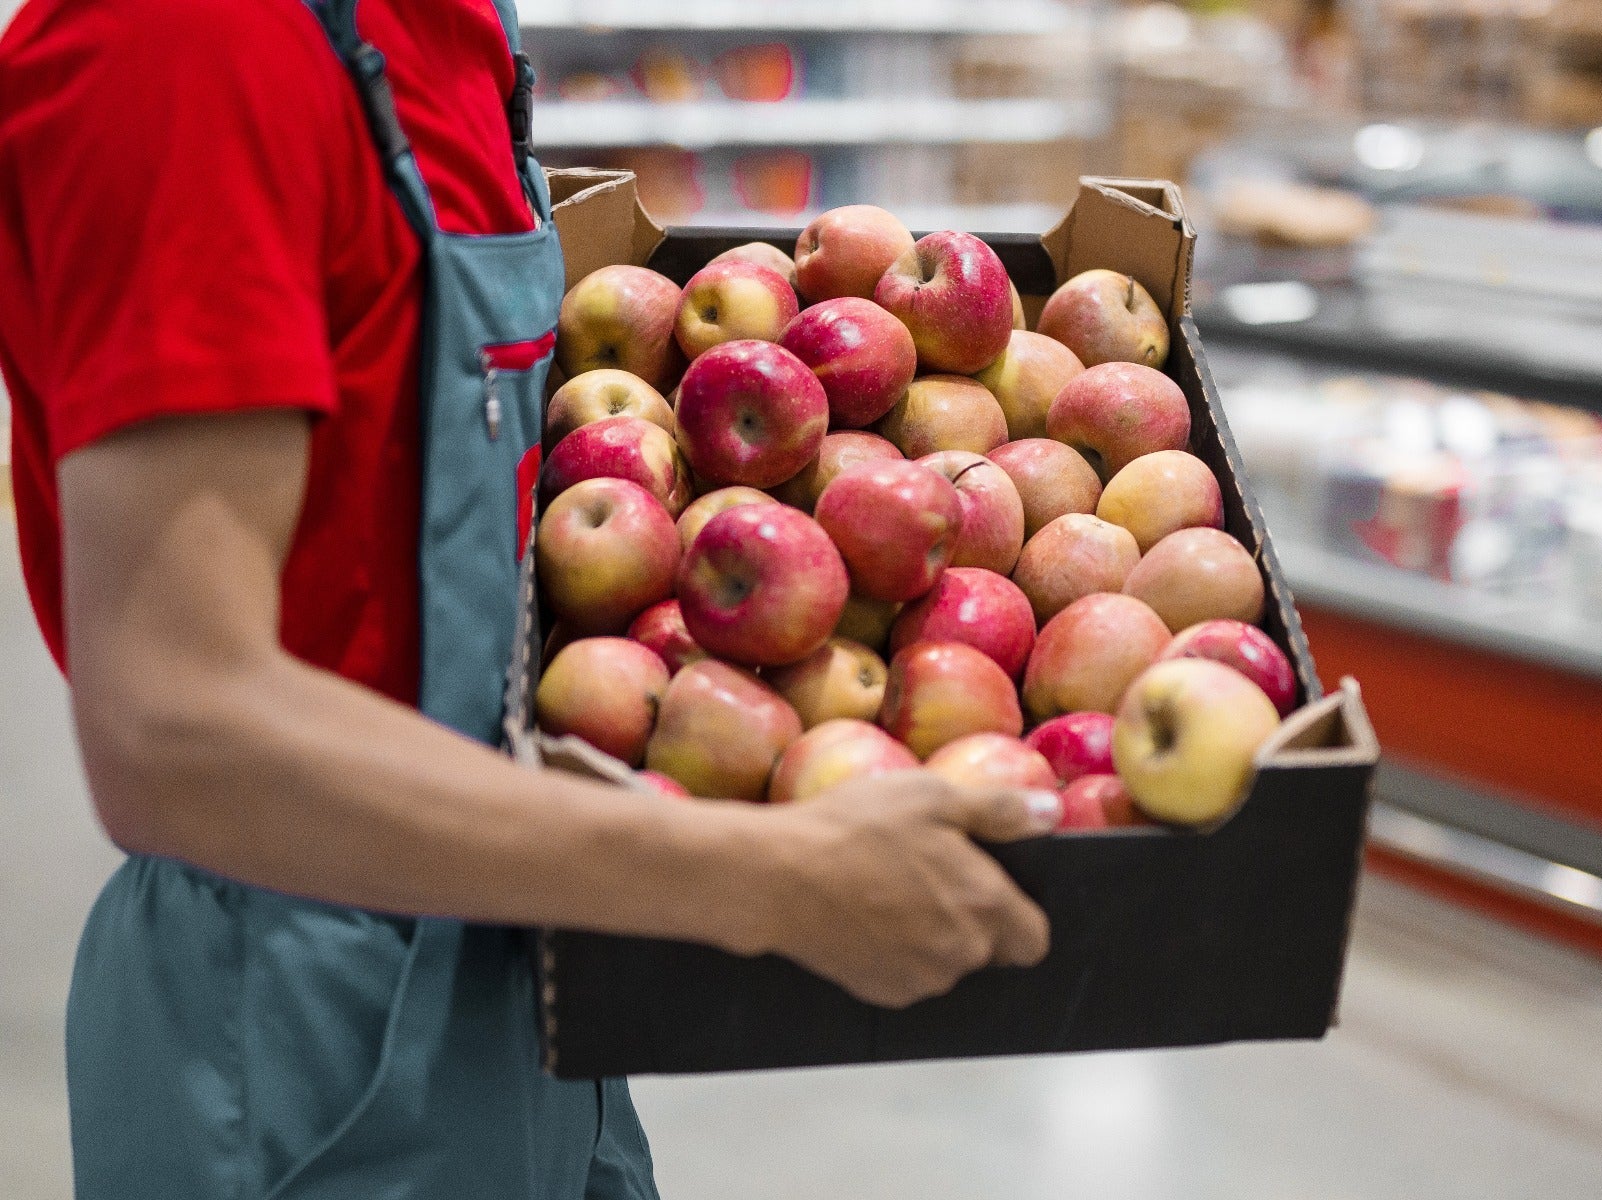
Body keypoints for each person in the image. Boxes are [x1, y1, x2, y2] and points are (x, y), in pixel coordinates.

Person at [0, 1, 1059, 1196]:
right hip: (305, 1036)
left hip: (519, 943)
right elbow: (179, 734)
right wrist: (761, 876)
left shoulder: (446, 22)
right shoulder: (190, 43)